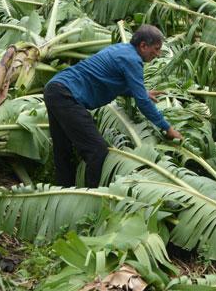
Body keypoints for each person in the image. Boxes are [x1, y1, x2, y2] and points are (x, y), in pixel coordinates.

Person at [43, 25, 183, 187]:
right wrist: (167, 128)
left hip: (54, 88)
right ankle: (89, 196)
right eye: (156, 49)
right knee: (97, 150)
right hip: (67, 95)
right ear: (143, 46)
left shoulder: (122, 49)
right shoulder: (133, 60)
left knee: (63, 149)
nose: (158, 54)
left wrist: (141, 92)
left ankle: (64, 191)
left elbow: (111, 81)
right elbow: (143, 103)